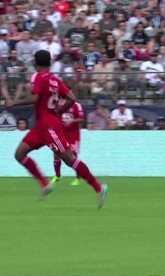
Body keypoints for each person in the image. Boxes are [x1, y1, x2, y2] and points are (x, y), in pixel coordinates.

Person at [4, 50, 108, 208]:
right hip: (41, 127)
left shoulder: (37, 77)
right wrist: (58, 111)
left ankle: (99, 188)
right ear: (50, 63)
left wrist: (14, 103)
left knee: (69, 159)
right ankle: (45, 183)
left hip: (49, 127)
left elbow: (35, 98)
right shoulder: (55, 79)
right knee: (19, 154)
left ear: (35, 63)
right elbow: (72, 98)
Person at [52, 100, 85, 186]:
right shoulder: (58, 105)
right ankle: (57, 175)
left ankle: (78, 177)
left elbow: (81, 118)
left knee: (73, 156)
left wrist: (71, 122)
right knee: (56, 153)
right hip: (61, 134)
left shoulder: (77, 105)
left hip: (73, 135)